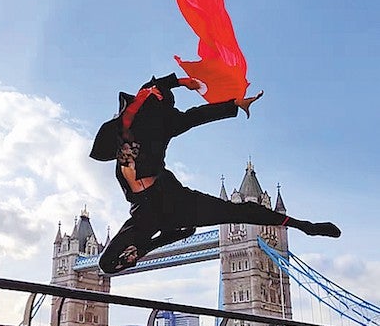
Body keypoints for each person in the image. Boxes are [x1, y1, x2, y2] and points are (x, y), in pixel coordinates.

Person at [90, 73, 341, 274]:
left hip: (172, 199)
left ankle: (304, 226)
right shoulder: (125, 123)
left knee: (236, 211)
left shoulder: (165, 123)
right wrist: (180, 82)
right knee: (107, 264)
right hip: (144, 211)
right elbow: (152, 87)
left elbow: (197, 115)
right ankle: (168, 237)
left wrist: (232, 105)